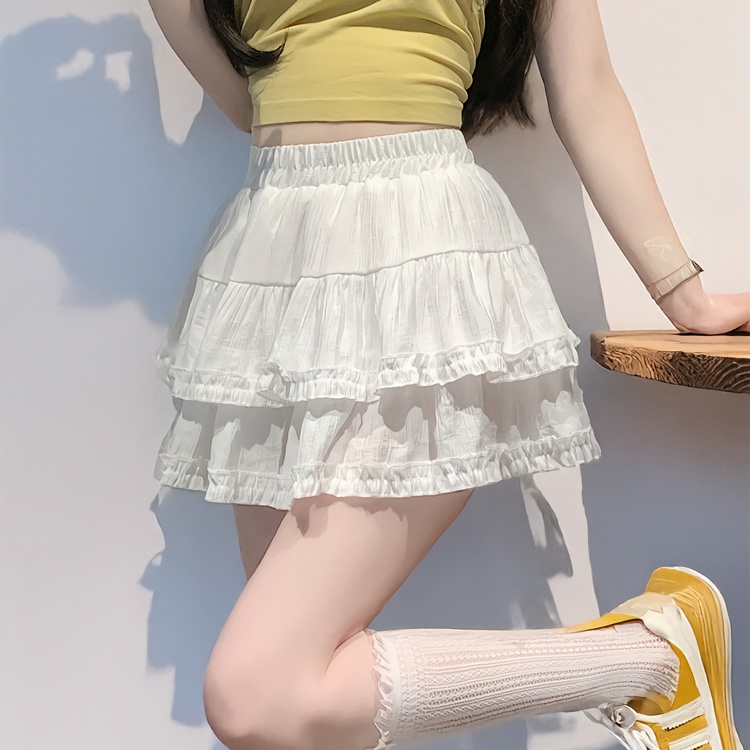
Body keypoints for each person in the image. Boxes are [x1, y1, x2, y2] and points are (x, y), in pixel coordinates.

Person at [146, 1, 747, 749]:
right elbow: (249, 102)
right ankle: (649, 662)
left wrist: (681, 291)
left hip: (421, 252)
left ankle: (650, 660)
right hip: (274, 263)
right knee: (297, 718)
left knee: (259, 696)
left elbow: (586, 87)